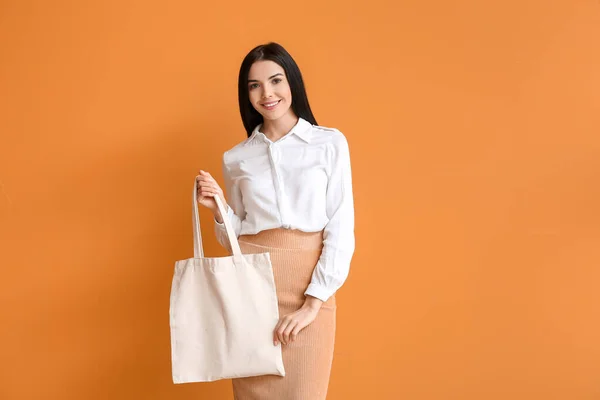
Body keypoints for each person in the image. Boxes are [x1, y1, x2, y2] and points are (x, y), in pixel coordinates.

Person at [195, 42, 355, 400]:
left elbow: (340, 226)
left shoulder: (328, 143)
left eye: (275, 80)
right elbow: (237, 237)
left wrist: (313, 303)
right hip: (251, 290)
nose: (266, 93)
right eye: (254, 85)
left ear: (292, 83)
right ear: (246, 94)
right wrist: (219, 209)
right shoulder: (236, 158)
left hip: (306, 288)